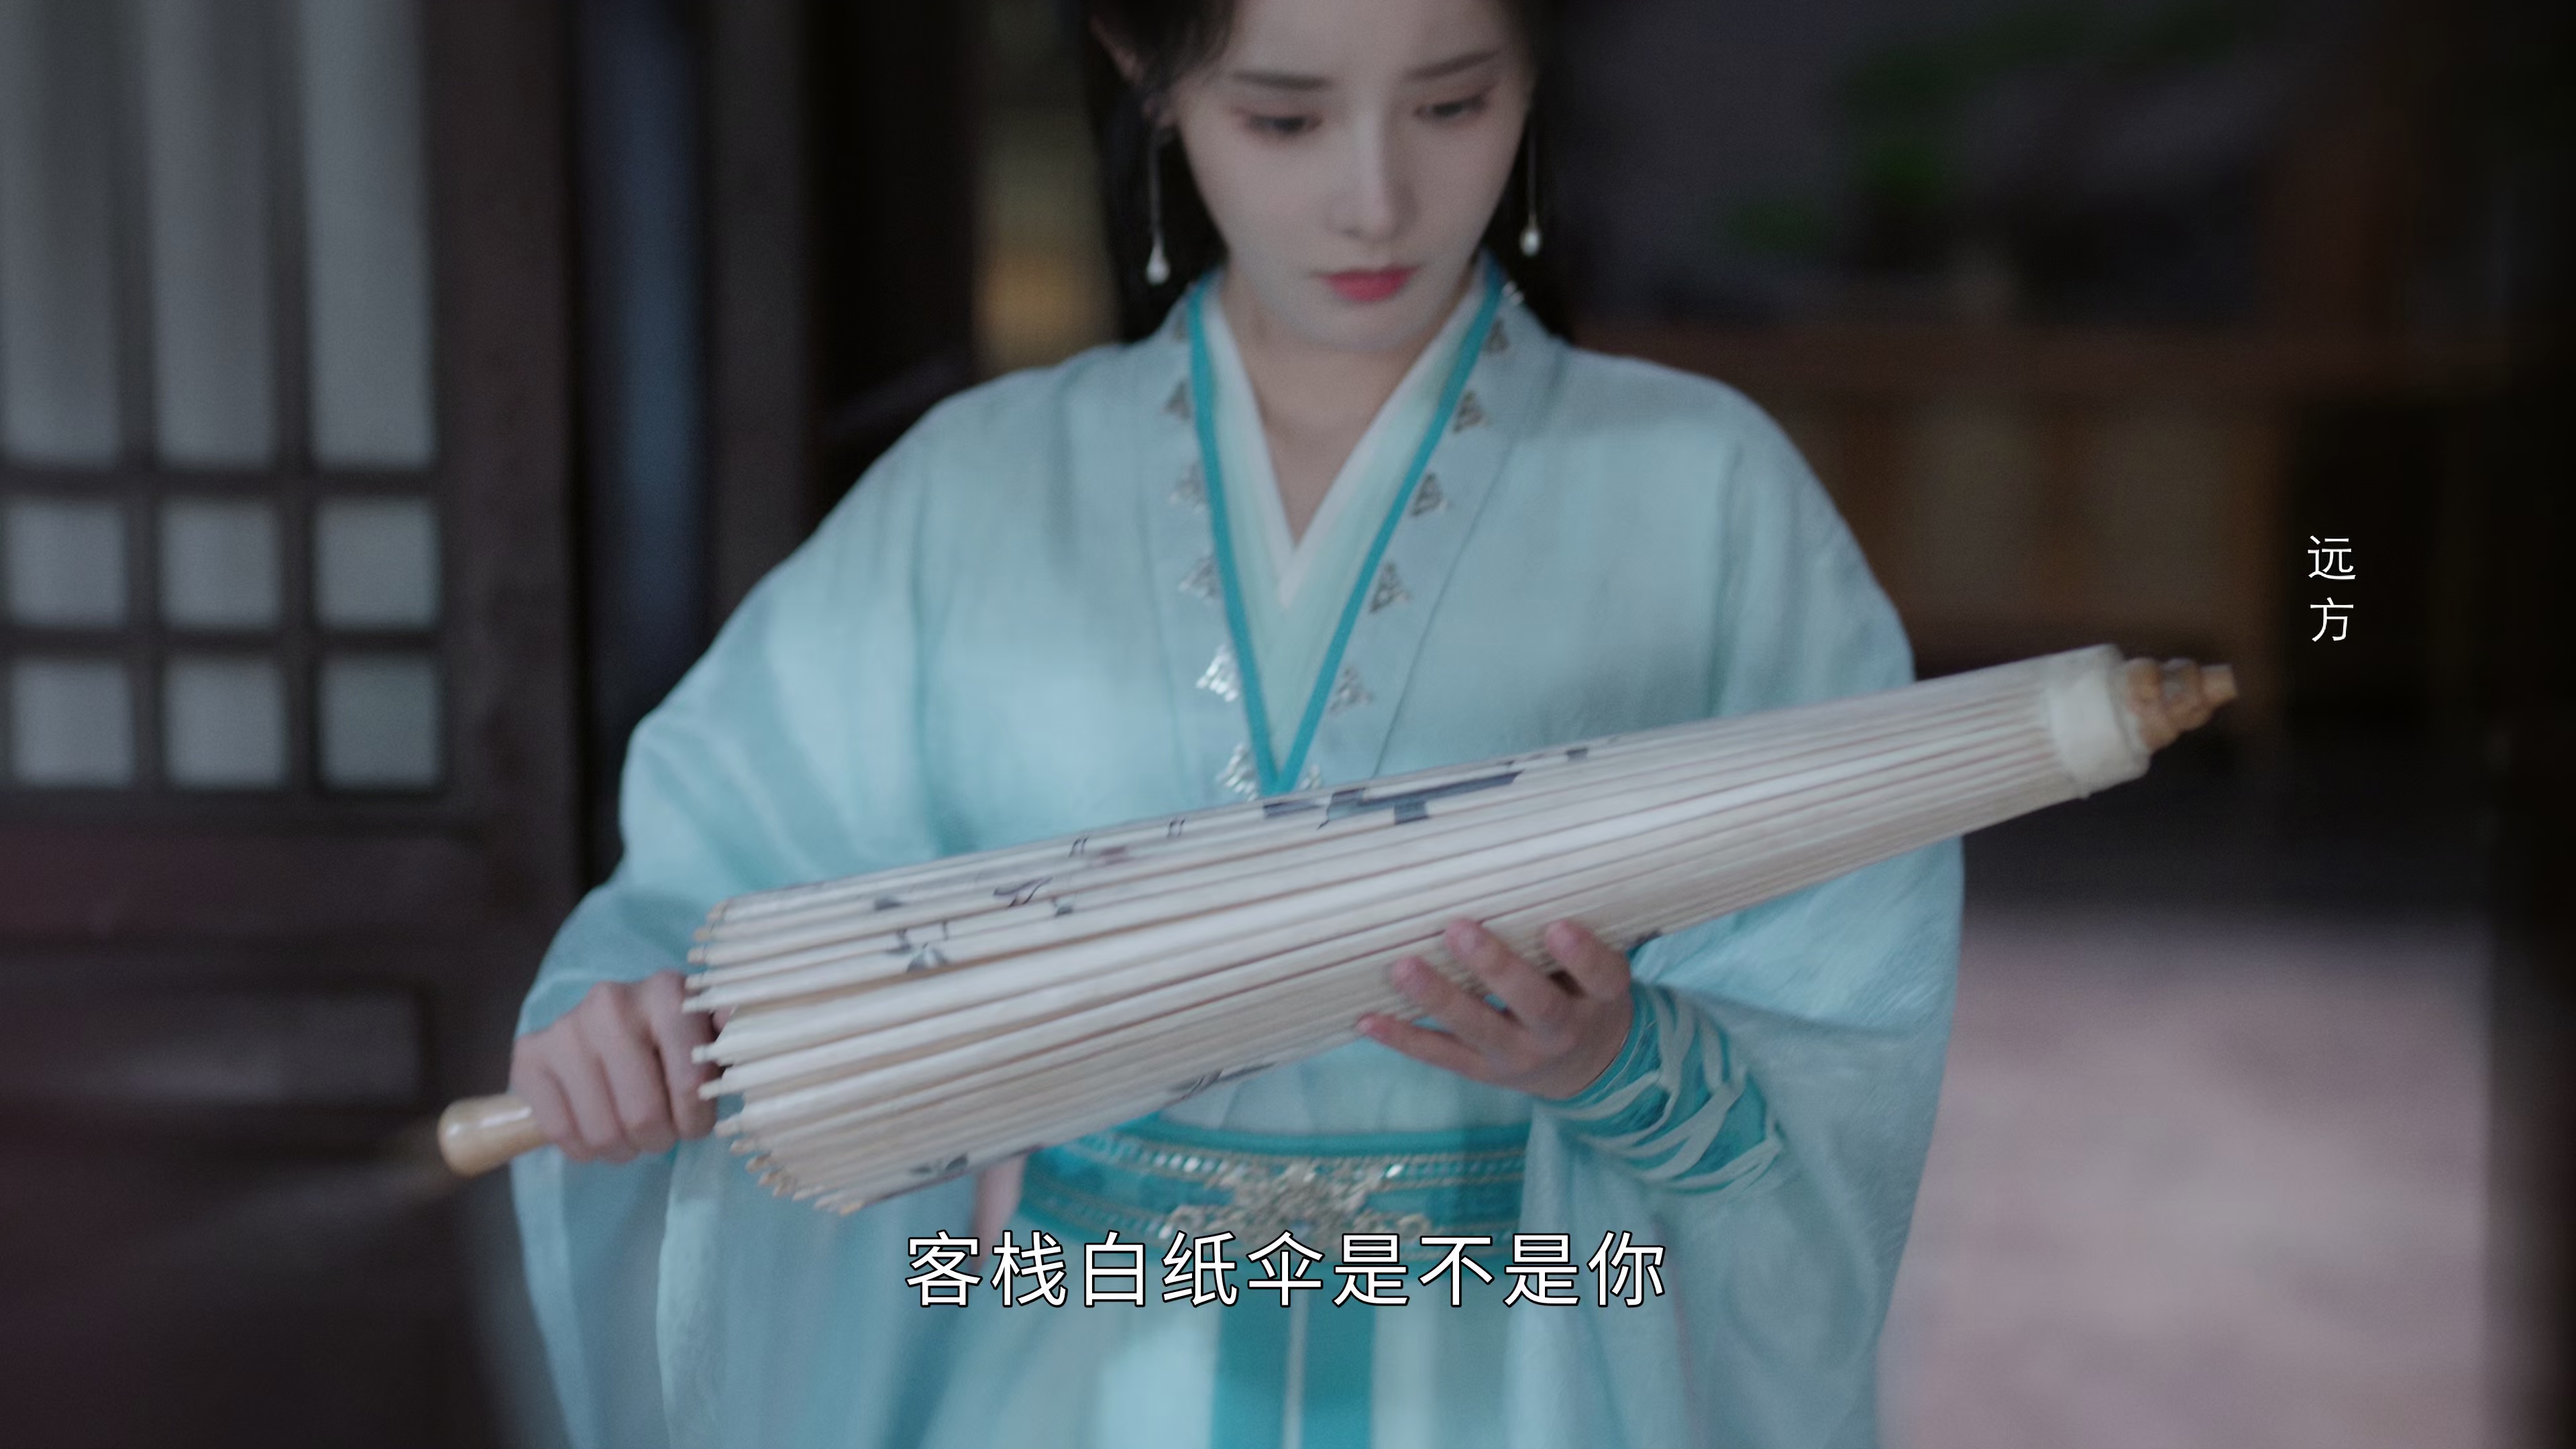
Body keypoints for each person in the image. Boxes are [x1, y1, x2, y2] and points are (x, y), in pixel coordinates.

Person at [506, 0, 1964, 1444]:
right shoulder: (980, 490)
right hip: (1084, 1380)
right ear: (1146, 70)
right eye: (1284, 117)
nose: (1375, 197)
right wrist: (641, 1027)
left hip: (1522, 1366)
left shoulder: (1707, 492)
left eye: (1452, 104)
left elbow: (1844, 995)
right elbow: (718, 889)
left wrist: (1625, 1061)